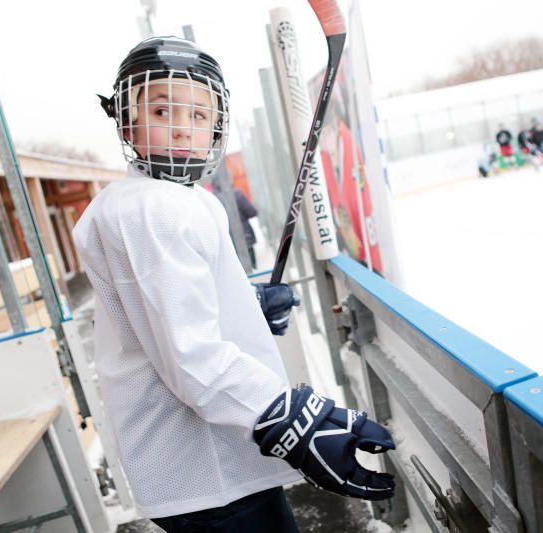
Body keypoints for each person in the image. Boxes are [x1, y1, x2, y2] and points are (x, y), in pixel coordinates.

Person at [73, 37, 395, 533]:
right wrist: (291, 420)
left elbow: (166, 314)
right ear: (126, 119)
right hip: (203, 467)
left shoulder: (171, 199)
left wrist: (241, 305)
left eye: (199, 116)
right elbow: (192, 359)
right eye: (163, 109)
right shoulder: (154, 210)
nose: (183, 125)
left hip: (215, 463)